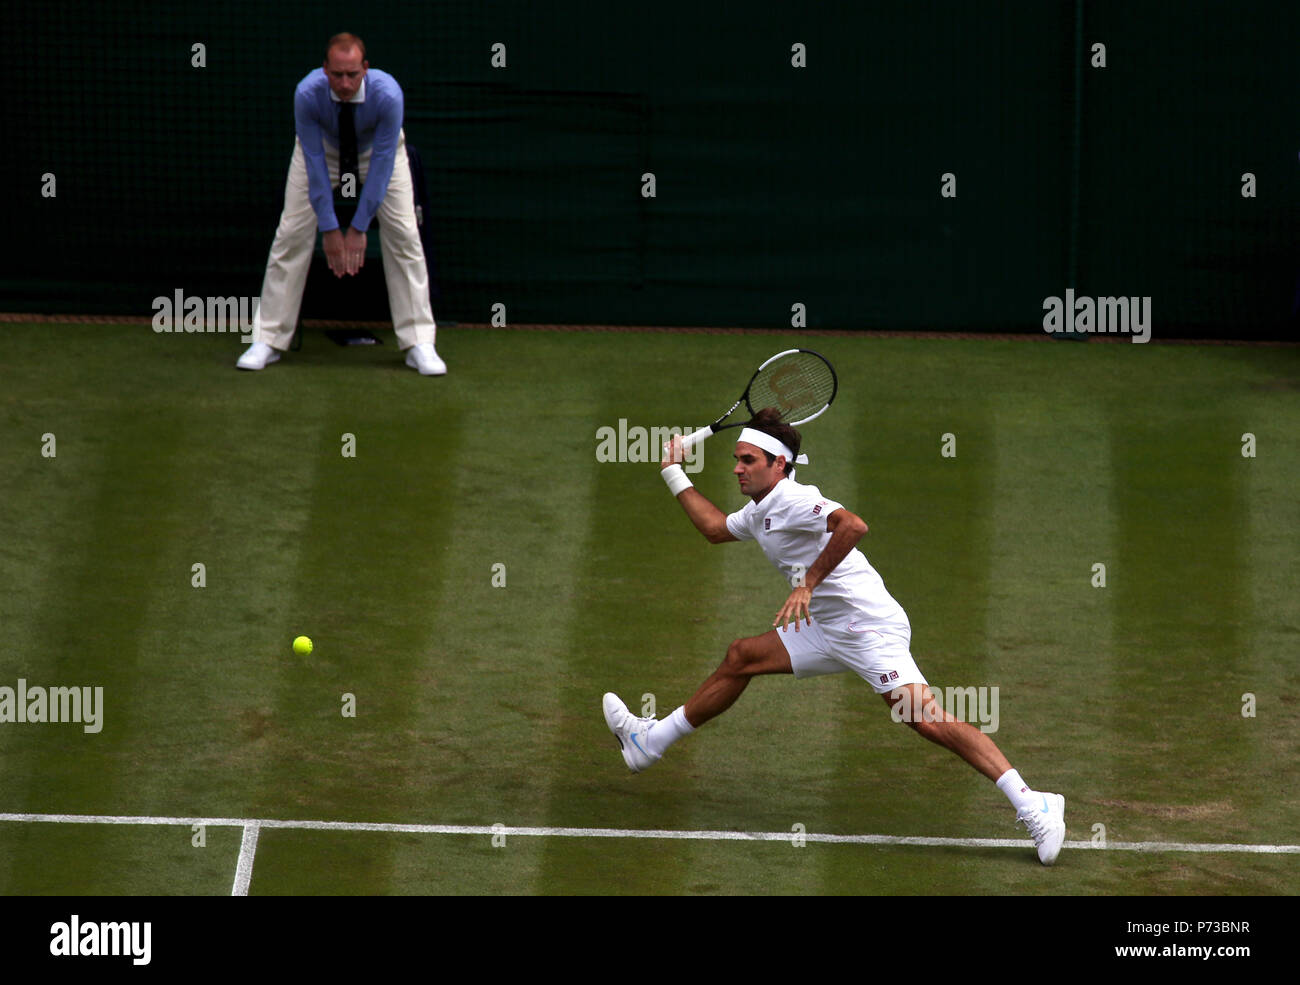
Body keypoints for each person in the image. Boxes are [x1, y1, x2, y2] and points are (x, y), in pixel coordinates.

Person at [601, 408, 1067, 865]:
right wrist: (673, 472)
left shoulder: (795, 499)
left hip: (867, 627)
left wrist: (808, 583)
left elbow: (853, 525)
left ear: (778, 464)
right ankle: (650, 742)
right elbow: (714, 528)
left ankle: (1033, 803)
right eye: (738, 459)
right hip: (827, 627)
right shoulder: (760, 510)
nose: (737, 468)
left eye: (748, 460)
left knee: (922, 718)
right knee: (741, 656)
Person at [236, 33, 446, 375]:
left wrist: (358, 228)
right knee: (290, 234)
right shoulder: (307, 93)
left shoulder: (388, 95)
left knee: (406, 235)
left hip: (378, 153)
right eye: (337, 75)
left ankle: (419, 342)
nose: (345, 83)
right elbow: (315, 163)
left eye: (352, 74)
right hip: (321, 151)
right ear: (325, 70)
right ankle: (268, 339)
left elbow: (381, 166)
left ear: (365, 68)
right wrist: (331, 227)